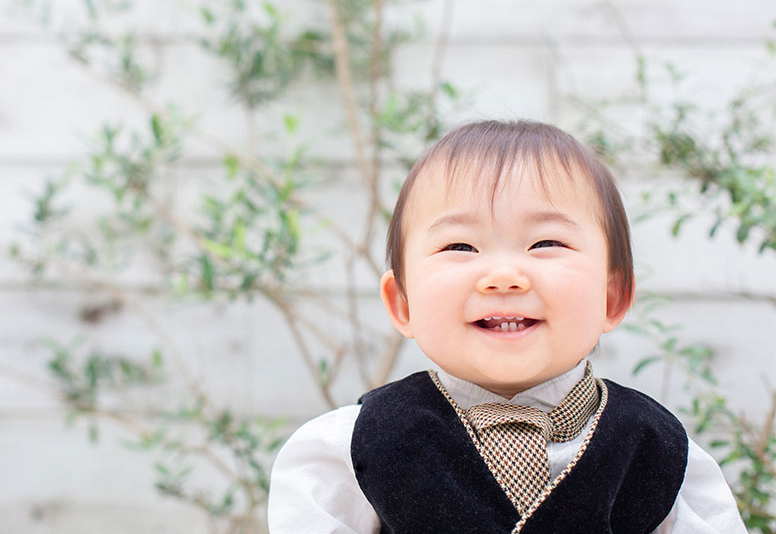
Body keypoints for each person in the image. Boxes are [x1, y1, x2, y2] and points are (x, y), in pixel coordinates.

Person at [268, 120, 747, 533]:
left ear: (612, 296)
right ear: (403, 303)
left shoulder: (662, 454)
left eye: (544, 243)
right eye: (460, 247)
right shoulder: (347, 451)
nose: (503, 277)